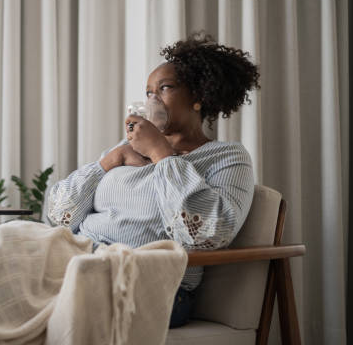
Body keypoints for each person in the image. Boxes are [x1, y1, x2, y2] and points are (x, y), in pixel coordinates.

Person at [46, 31, 260, 328]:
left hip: (154, 286)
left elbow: (211, 232)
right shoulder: (122, 151)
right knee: (2, 243)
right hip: (80, 263)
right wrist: (109, 161)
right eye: (148, 93)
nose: (152, 100)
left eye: (164, 88)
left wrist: (162, 153)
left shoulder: (226, 157)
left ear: (198, 97)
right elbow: (59, 216)